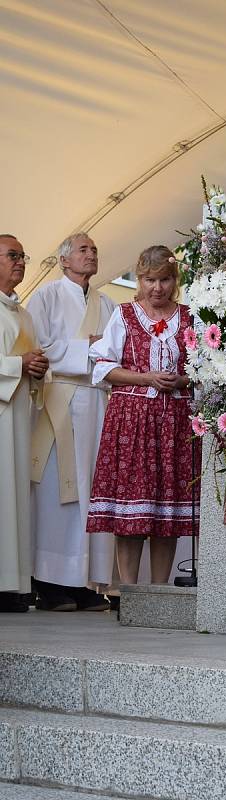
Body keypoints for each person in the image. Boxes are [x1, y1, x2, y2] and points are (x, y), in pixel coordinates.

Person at [86, 245, 199, 585]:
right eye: (150, 279)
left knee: (167, 511)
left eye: (165, 279)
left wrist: (182, 380)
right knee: (130, 511)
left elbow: (204, 368)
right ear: (139, 279)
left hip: (175, 421)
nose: (157, 288)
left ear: (174, 280)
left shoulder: (191, 316)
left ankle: (159, 592)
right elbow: (103, 367)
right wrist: (147, 378)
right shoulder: (124, 314)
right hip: (131, 419)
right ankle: (129, 590)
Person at [27, 232, 115, 611]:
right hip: (59, 400)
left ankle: (84, 581)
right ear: (64, 260)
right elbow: (39, 347)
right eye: (83, 250)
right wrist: (90, 349)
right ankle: (48, 581)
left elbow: (117, 351)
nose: (91, 254)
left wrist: (102, 352)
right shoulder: (45, 297)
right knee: (56, 493)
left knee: (91, 492)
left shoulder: (108, 302)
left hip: (96, 403)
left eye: (94, 249)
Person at [0, 235, 48, 612]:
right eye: (12, 255)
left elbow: (32, 362)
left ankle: (13, 585)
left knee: (14, 499)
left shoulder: (24, 313)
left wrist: (37, 368)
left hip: (17, 417)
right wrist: (20, 365)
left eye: (22, 255)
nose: (20, 262)